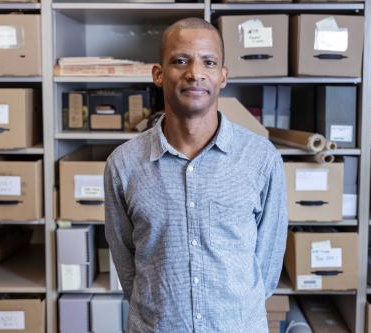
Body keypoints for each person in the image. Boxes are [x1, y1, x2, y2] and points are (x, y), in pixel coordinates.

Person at [104, 17, 288, 333]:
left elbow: (267, 267)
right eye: (180, 61)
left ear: (223, 76)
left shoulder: (262, 159)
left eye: (209, 62)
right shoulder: (124, 164)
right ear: (158, 75)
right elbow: (127, 264)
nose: (195, 73)